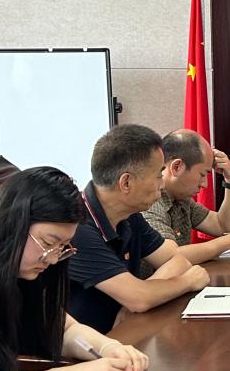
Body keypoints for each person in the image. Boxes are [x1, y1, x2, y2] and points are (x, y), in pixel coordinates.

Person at [0, 167, 149, 371]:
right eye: (48, 243)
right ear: (12, 223)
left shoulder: (22, 271)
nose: (53, 258)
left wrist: (108, 348)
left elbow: (64, 329)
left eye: (63, 247)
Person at [69, 124, 210, 334]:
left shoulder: (129, 216)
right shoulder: (77, 226)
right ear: (126, 182)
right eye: (158, 175)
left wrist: (138, 297)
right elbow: (140, 299)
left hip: (124, 333)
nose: (162, 184)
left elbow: (177, 259)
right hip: (83, 346)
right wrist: (187, 282)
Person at [143, 129, 230, 264]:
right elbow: (168, 257)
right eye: (202, 175)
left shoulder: (180, 199)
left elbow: (224, 226)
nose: (204, 184)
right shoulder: (149, 202)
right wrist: (229, 241)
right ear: (177, 167)